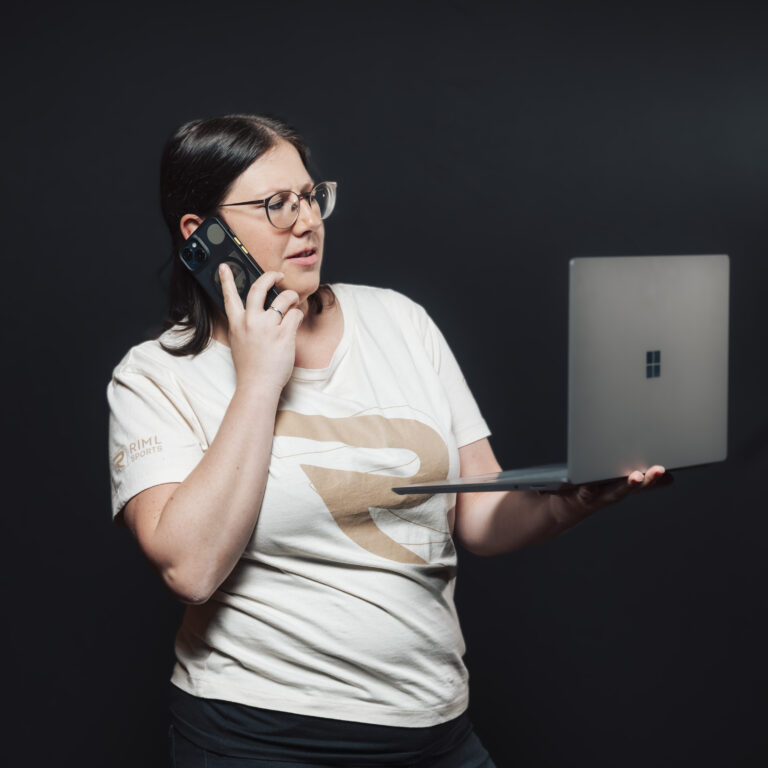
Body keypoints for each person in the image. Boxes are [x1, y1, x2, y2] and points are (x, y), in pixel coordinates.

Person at [107, 114, 668, 767]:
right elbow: (191, 568)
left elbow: (479, 514)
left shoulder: (400, 322)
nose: (307, 221)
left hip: (435, 730)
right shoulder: (154, 376)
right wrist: (261, 378)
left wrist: (575, 501)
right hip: (258, 740)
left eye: (311, 196)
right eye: (275, 205)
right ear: (200, 234)